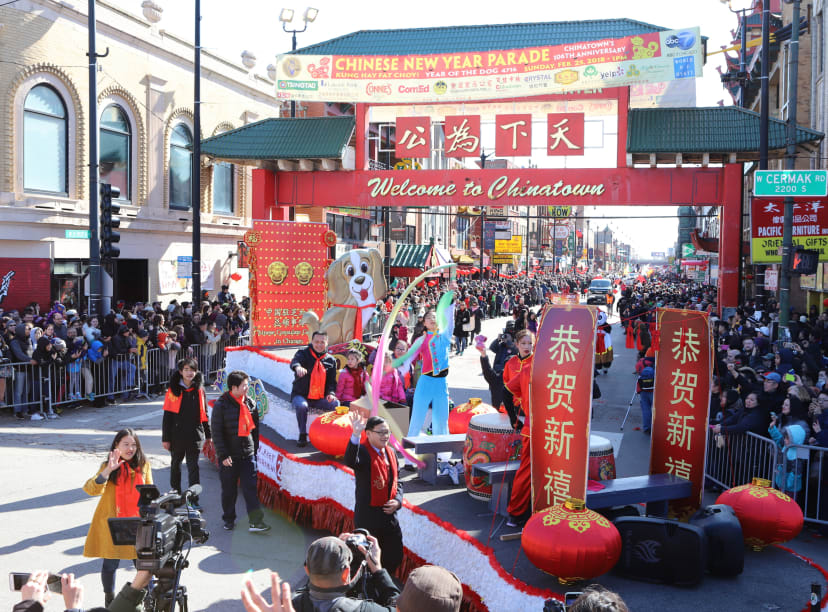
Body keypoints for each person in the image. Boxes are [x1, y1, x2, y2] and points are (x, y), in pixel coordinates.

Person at [82, 428, 152, 607]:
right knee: (110, 564)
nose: (130, 449)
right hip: (113, 523)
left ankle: (148, 599)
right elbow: (91, 489)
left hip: (136, 523)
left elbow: (149, 491)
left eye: (133, 445)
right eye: (126, 444)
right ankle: (109, 599)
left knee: (144, 566)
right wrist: (107, 471)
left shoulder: (144, 464)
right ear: (116, 446)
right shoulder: (109, 465)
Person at [211, 370, 270, 533]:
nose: (247, 388)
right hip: (229, 456)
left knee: (250, 488)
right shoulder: (221, 405)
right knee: (229, 490)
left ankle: (256, 522)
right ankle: (229, 519)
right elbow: (216, 432)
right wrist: (223, 455)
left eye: (247, 385)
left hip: (247, 454)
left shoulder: (250, 403)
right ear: (234, 387)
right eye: (244, 385)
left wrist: (254, 449)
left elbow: (256, 429)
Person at [346, 413, 404, 574]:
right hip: (368, 518)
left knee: (394, 556)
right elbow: (351, 461)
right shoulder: (363, 452)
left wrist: (398, 501)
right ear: (369, 433)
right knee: (366, 561)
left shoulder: (391, 452)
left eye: (387, 432)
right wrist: (355, 434)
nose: (385, 436)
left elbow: (398, 482)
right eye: (381, 432)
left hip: (389, 516)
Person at [394, 294, 455, 438]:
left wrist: (451, 300)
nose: (432, 320)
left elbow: (451, 320)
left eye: (435, 317)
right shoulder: (421, 340)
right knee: (417, 418)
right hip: (425, 382)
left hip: (441, 383)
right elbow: (407, 355)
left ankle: (442, 456)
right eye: (429, 318)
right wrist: (403, 326)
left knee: (441, 421)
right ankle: (410, 455)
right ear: (424, 323)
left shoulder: (445, 335)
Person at [289, 534, 401, 611]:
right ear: (345, 573)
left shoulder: (289, 604)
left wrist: (323, 558)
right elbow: (399, 608)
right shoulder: (364, 609)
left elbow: (306, 589)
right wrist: (378, 570)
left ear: (307, 570)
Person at [162, 357, 211, 510]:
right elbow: (167, 416)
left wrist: (208, 435)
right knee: (175, 465)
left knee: (193, 468)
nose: (189, 373)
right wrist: (166, 438)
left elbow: (205, 414)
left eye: (192, 370)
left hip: (194, 435)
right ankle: (175, 495)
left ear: (196, 372)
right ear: (181, 371)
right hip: (176, 435)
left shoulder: (200, 390)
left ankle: (193, 499)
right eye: (186, 370)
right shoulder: (173, 390)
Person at [502, 329, 535, 527]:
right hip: (535, 426)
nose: (527, 346)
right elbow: (505, 390)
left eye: (530, 343)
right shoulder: (519, 365)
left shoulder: (532, 366)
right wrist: (513, 418)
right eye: (523, 343)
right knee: (527, 469)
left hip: (552, 428)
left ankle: (525, 511)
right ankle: (517, 512)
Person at [290, 331, 339, 447]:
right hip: (301, 395)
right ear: (312, 341)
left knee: (335, 403)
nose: (319, 344)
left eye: (322, 342)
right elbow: (295, 362)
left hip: (319, 397)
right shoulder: (303, 353)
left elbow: (332, 382)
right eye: (316, 342)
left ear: (327, 343)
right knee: (302, 406)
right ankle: (302, 434)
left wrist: (331, 393)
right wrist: (298, 368)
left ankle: (331, 434)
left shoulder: (331, 360)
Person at [637, 357, 655, 434]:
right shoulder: (657, 362)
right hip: (653, 390)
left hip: (643, 389)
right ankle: (656, 427)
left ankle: (647, 428)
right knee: (656, 409)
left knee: (645, 410)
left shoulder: (642, 361)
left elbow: (638, 371)